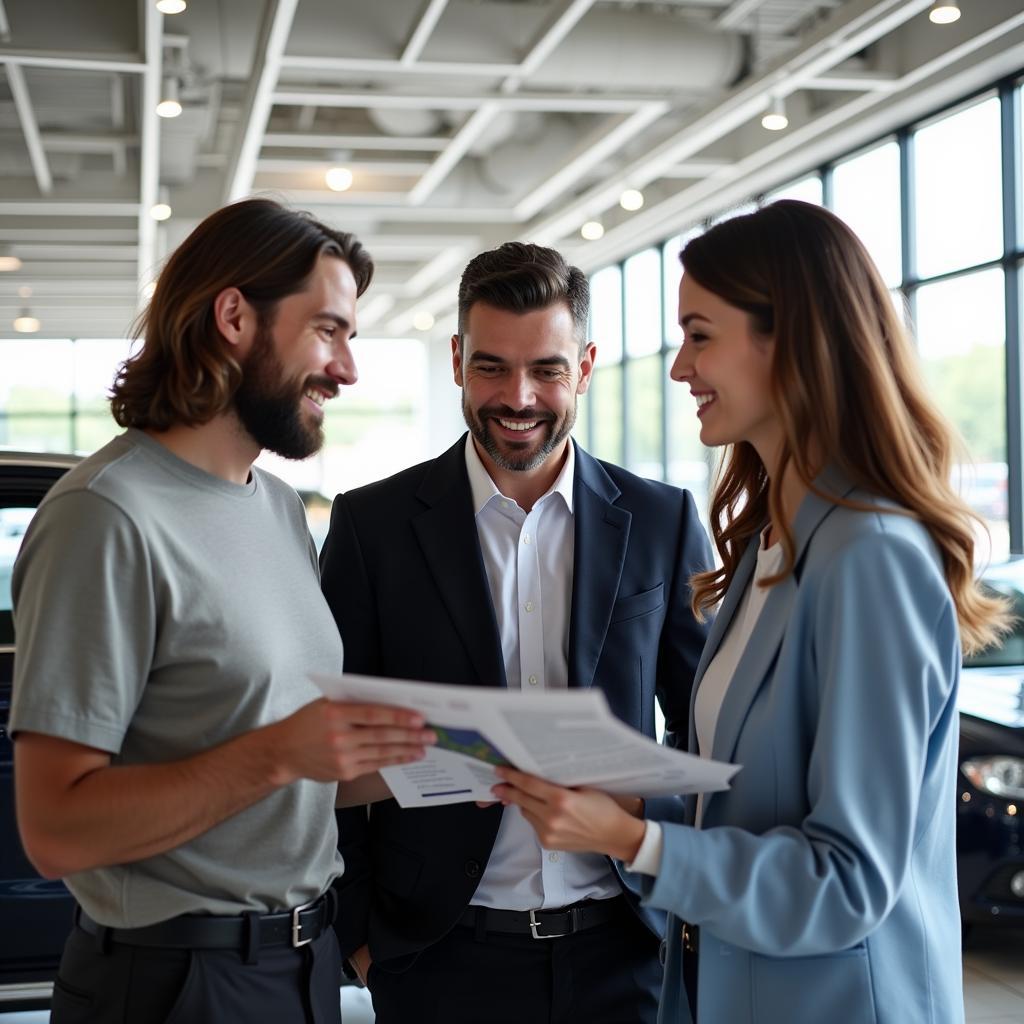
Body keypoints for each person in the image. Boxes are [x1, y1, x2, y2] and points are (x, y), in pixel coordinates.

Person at [493, 200, 1009, 1024]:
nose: (678, 369)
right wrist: (634, 801)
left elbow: (848, 880)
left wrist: (632, 842)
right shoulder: (774, 542)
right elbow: (751, 802)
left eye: (700, 335)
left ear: (792, 341)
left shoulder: (870, 556)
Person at [10, 198, 436, 1024]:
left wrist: (470, 763)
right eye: (329, 330)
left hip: (302, 967)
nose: (347, 370)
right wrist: (278, 753)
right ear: (235, 316)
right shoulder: (107, 516)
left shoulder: (276, 507)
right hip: (176, 985)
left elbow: (300, 768)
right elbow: (56, 829)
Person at [318, 241, 713, 1024]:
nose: (519, 396)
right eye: (492, 367)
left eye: (548, 370)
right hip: (438, 959)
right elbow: (331, 740)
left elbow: (703, 735)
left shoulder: (663, 522)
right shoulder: (373, 526)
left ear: (588, 366)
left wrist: (674, 887)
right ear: (459, 359)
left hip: (625, 950)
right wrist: (360, 935)